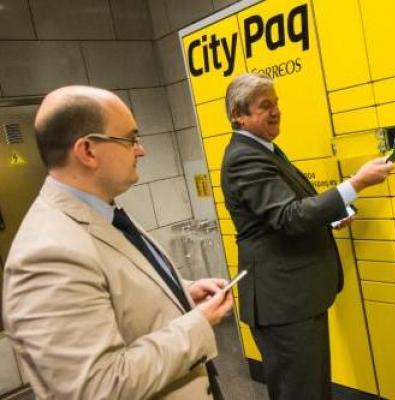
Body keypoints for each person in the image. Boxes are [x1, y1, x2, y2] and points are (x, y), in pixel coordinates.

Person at [2, 85, 233, 399]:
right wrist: (198, 324)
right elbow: (97, 386)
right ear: (87, 151)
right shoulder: (48, 254)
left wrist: (180, 292)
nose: (141, 150)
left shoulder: (100, 210)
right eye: (130, 139)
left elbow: (117, 291)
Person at [221, 72, 394, 400]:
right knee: (300, 392)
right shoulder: (244, 157)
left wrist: (330, 218)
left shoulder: (266, 151)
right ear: (239, 116)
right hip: (283, 303)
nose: (275, 111)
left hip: (295, 299)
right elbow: (289, 217)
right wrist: (355, 184)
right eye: (264, 106)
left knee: (308, 388)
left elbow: (282, 214)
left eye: (276, 103)